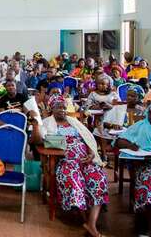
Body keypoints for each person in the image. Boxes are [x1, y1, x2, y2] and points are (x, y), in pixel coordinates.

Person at [31, 95, 108, 237]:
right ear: (51, 109)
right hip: (66, 162)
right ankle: (87, 221)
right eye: (58, 107)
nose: (62, 110)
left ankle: (91, 223)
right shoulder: (47, 123)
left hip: (86, 161)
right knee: (74, 181)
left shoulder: (74, 122)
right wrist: (36, 123)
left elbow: (87, 138)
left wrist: (91, 153)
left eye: (64, 107)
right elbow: (37, 141)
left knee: (98, 179)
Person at [115, 102, 151, 235]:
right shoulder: (142, 126)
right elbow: (119, 141)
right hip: (149, 165)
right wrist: (132, 145)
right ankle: (148, 225)